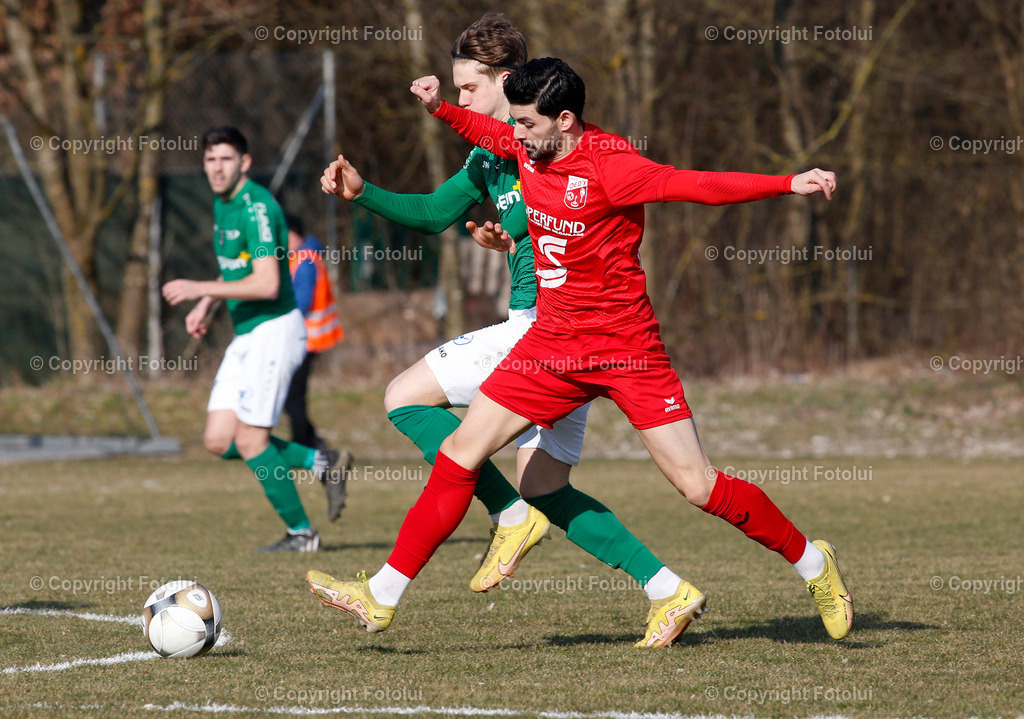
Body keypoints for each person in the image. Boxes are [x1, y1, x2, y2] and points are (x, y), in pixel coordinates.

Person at [308, 57, 855, 646]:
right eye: (513, 122)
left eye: (525, 123)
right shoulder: (527, 146)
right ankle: (382, 596)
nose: (514, 133)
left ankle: (813, 564)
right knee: (462, 454)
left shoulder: (613, 165)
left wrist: (786, 183)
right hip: (552, 344)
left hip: (626, 349)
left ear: (564, 120)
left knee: (698, 487)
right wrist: (441, 108)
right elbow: (484, 133)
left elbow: (695, 184)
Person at [307, 14, 703, 648]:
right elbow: (436, 213)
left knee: (407, 400)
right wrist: (363, 194)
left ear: (506, 82)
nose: (462, 100)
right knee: (544, 484)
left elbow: (585, 220)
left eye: (469, 89)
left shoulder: (541, 143)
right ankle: (666, 589)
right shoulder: (489, 156)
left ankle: (495, 521)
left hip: (559, 333)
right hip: (547, 330)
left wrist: (518, 240)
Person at [162, 126, 346, 552]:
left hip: (275, 330)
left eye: (225, 159)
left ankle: (302, 534)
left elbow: (265, 284)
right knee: (218, 440)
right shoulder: (222, 204)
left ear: (244, 162)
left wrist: (197, 288)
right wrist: (205, 303)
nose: (216, 168)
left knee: (250, 439)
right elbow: (236, 270)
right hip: (247, 333)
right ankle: (320, 460)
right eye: (210, 160)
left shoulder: (258, 208)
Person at [283, 213, 353, 522]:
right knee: (291, 402)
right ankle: (321, 458)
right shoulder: (302, 256)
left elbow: (302, 302)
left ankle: (319, 457)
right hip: (304, 340)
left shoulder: (305, 259)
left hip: (304, 341)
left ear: (293, 234)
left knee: (292, 402)